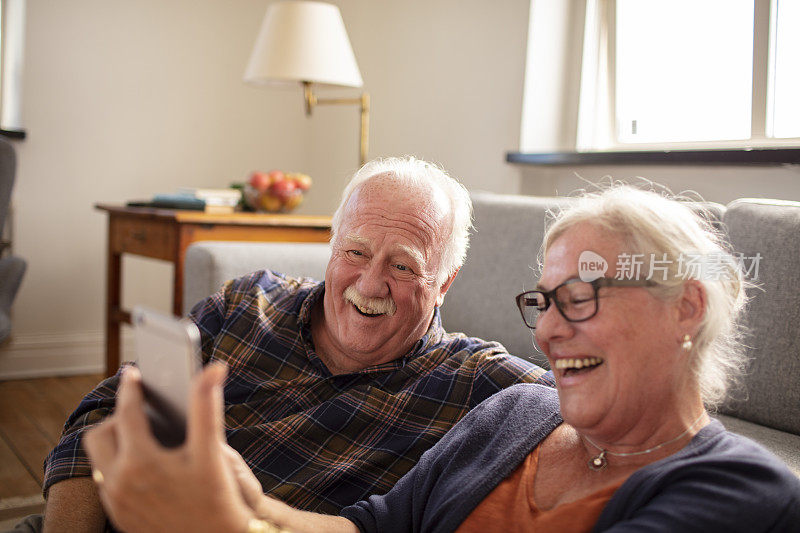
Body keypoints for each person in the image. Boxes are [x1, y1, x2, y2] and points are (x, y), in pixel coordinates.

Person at [84, 185, 800, 532]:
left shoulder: (744, 491)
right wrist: (250, 499)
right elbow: (368, 530)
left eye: (581, 296)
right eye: (542, 302)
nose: (548, 332)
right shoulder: (517, 411)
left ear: (687, 307)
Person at [41, 157, 553, 531]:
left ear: (444, 282)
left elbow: (590, 407)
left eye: (403, 266)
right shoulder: (248, 305)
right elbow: (100, 415)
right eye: (356, 251)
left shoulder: (478, 386)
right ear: (331, 247)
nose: (371, 285)